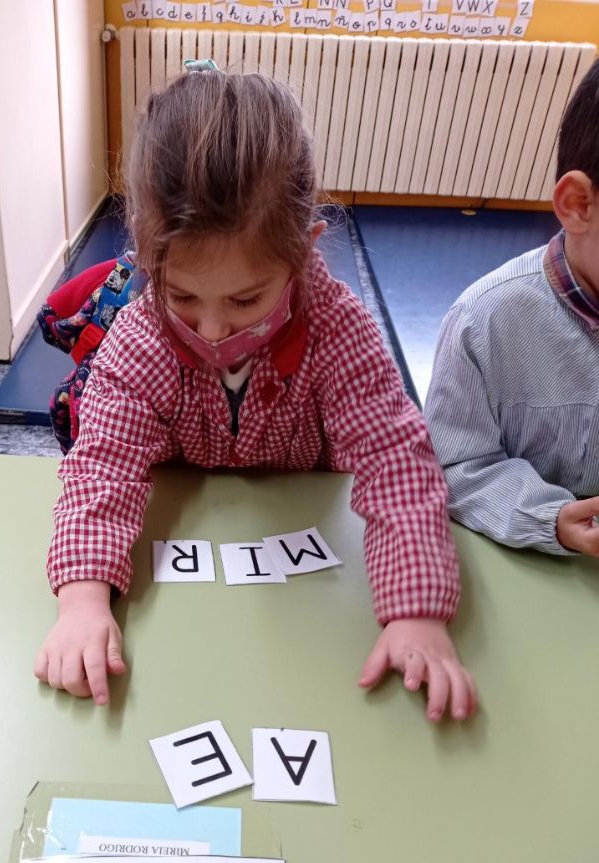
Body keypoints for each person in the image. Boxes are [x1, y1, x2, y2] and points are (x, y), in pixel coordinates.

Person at [35, 68, 476, 723]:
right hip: (185, 538)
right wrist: (81, 602)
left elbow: (395, 462)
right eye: (182, 296)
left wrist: (416, 614)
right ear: (147, 257)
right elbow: (103, 466)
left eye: (245, 300)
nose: (212, 329)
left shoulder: (337, 327)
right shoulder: (143, 335)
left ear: (301, 252)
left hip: (301, 540)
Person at [425, 59, 599, 557]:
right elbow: (458, 467)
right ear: (578, 204)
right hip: (527, 557)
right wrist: (551, 519)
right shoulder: (484, 323)